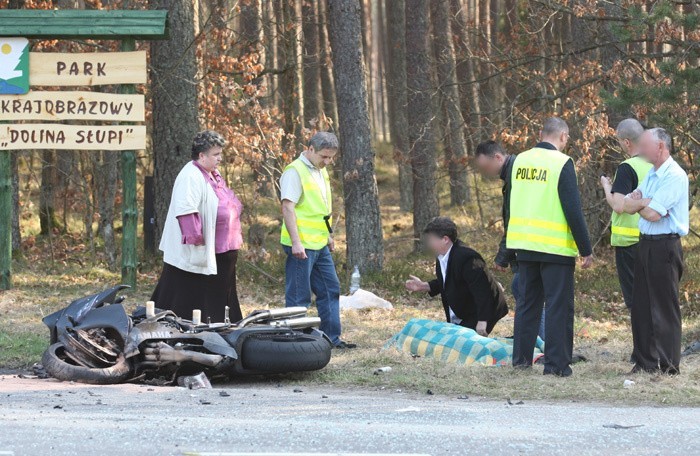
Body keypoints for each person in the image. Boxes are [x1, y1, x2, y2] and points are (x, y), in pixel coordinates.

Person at [506, 117, 593, 377]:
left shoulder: (519, 161)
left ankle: (520, 361)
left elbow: (510, 203)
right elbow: (572, 209)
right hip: (555, 248)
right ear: (563, 137)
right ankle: (555, 366)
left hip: (524, 245)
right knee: (557, 307)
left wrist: (508, 249)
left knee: (527, 304)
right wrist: (585, 248)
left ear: (540, 133)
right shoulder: (562, 163)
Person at [152, 130, 244, 324]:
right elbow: (186, 209)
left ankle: (221, 325)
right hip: (200, 252)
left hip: (224, 250)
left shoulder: (214, 174)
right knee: (190, 295)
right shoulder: (190, 175)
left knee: (219, 296)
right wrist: (196, 241)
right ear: (201, 155)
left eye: (220, 153)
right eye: (215, 154)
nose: (220, 158)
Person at [280, 131, 355, 349]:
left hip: (320, 242)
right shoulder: (295, 171)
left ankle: (331, 339)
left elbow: (321, 207)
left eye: (331, 157)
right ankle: (296, 341)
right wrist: (296, 242)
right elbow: (287, 207)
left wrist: (329, 234)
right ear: (310, 149)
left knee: (330, 289)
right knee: (298, 296)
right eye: (324, 156)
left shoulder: (320, 171)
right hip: (301, 245)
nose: (328, 162)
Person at [623, 127, 688, 375]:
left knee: (664, 307)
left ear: (660, 147)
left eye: (645, 145)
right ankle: (645, 363)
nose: (640, 149)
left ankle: (669, 365)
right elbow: (627, 205)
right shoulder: (651, 174)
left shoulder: (675, 176)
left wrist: (641, 203)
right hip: (646, 243)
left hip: (665, 246)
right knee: (641, 306)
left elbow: (652, 213)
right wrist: (642, 202)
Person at [475, 140, 545, 341]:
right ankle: (530, 336)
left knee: (525, 289)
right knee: (522, 288)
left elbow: (515, 219)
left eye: (486, 167)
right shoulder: (511, 175)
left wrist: (503, 256)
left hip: (531, 243)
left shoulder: (517, 176)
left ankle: (539, 339)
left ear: (498, 157)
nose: (486, 172)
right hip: (525, 244)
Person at [600, 119, 652, 356]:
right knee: (653, 297)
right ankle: (656, 348)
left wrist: (606, 187)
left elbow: (619, 205)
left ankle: (640, 351)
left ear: (626, 141)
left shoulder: (627, 167)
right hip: (653, 241)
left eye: (620, 141)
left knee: (635, 301)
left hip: (628, 244)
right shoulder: (656, 164)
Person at [404, 217, 508, 336]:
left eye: (431, 240)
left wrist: (483, 320)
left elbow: (482, 289)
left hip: (483, 310)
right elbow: (449, 280)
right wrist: (424, 286)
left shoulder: (468, 257)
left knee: (461, 345)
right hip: (464, 312)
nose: (429, 244)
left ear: (445, 239)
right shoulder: (442, 256)